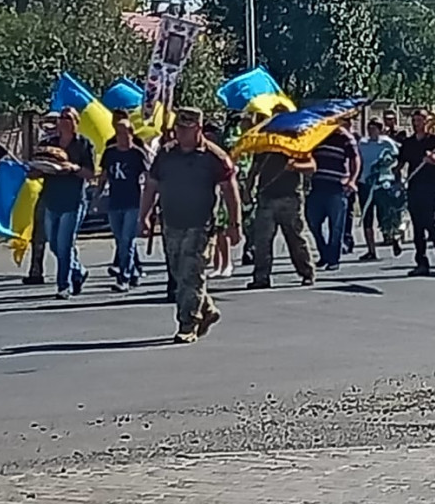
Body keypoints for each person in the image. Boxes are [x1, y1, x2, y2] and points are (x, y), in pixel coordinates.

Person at [140, 108, 243, 344]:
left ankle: (188, 323)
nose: (180, 133)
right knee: (179, 272)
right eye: (178, 128)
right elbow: (151, 185)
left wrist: (235, 224)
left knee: (191, 274)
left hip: (200, 225)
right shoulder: (166, 154)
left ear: (198, 129)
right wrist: (144, 216)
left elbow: (230, 190)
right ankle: (206, 309)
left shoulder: (213, 157)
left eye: (186, 129)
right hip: (171, 222)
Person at [30, 107, 95, 300]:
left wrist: (73, 167)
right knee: (54, 245)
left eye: (69, 118)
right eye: (62, 118)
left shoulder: (83, 144)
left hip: (74, 200)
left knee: (65, 244)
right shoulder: (49, 143)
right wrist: (37, 170)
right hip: (51, 198)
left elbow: (90, 173)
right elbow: (36, 169)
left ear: (76, 122)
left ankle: (63, 285)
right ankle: (79, 270)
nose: (64, 121)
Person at [245, 128, 318, 290]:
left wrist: (296, 166)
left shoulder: (296, 144)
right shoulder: (263, 144)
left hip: (290, 196)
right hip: (266, 197)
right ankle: (261, 277)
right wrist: (248, 189)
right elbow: (254, 169)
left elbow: (312, 166)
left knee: (295, 238)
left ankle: (307, 272)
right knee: (262, 240)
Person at [399, 109, 435, 275]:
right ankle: (421, 262)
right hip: (414, 186)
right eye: (415, 120)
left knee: (430, 221)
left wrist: (434, 160)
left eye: (420, 120)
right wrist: (396, 179)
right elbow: (400, 164)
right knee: (417, 225)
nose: (417, 123)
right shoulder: (408, 143)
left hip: (431, 186)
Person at [99, 114, 151, 292]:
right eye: (118, 133)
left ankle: (124, 277)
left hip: (133, 201)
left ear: (130, 133)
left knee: (127, 240)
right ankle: (134, 271)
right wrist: (97, 195)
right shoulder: (110, 153)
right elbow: (104, 175)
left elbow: (149, 177)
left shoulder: (137, 154)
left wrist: (149, 203)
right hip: (115, 201)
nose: (120, 136)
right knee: (120, 239)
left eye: (123, 132)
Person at [307, 118, 360, 272]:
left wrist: (352, 180)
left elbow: (355, 159)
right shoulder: (317, 136)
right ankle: (324, 253)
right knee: (312, 222)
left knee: (336, 226)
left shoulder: (345, 138)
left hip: (337, 186)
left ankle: (333, 259)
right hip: (318, 185)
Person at [355, 119, 403, 262]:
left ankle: (394, 238)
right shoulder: (362, 144)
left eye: (374, 128)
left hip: (383, 183)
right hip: (365, 184)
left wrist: (388, 163)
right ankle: (371, 250)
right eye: (369, 128)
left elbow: (399, 156)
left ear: (380, 129)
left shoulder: (387, 142)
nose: (371, 131)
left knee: (387, 215)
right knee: (367, 217)